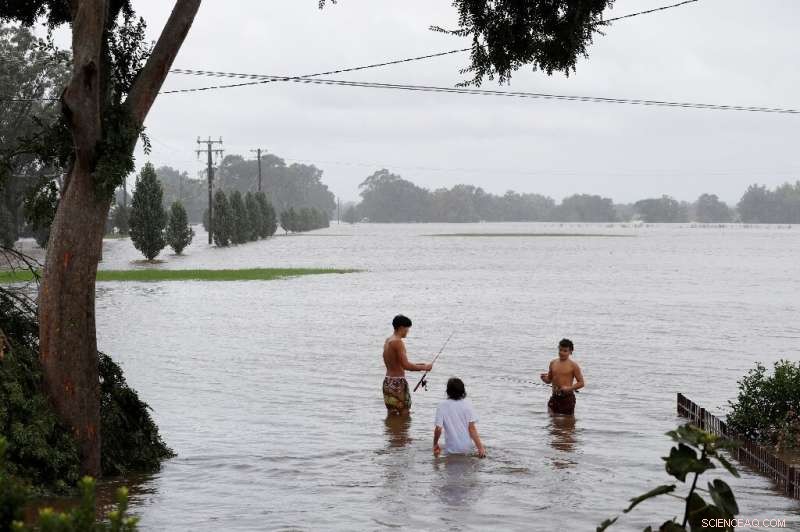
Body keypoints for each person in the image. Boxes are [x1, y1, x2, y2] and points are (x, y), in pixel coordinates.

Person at [382, 314, 433, 416]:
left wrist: (420, 364)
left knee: (392, 416)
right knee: (404, 416)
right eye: (407, 329)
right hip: (398, 383)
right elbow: (406, 366)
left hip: (387, 382)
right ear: (401, 327)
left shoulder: (388, 340)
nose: (408, 331)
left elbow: (397, 363)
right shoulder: (398, 342)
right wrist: (425, 367)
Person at [433, 378, 486, 458]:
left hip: (451, 449)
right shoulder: (468, 405)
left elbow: (438, 429)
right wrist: (480, 448)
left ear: (448, 391)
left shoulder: (442, 406)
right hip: (467, 448)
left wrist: (435, 443)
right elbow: (472, 429)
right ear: (462, 391)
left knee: (450, 469)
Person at [540, 338, 585, 415]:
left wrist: (569, 388)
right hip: (554, 397)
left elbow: (581, 383)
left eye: (565, 351)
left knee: (568, 424)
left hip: (567, 398)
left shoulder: (573, 365)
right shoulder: (553, 363)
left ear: (570, 352)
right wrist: (544, 379)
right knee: (552, 422)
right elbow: (549, 380)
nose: (562, 353)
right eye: (560, 350)